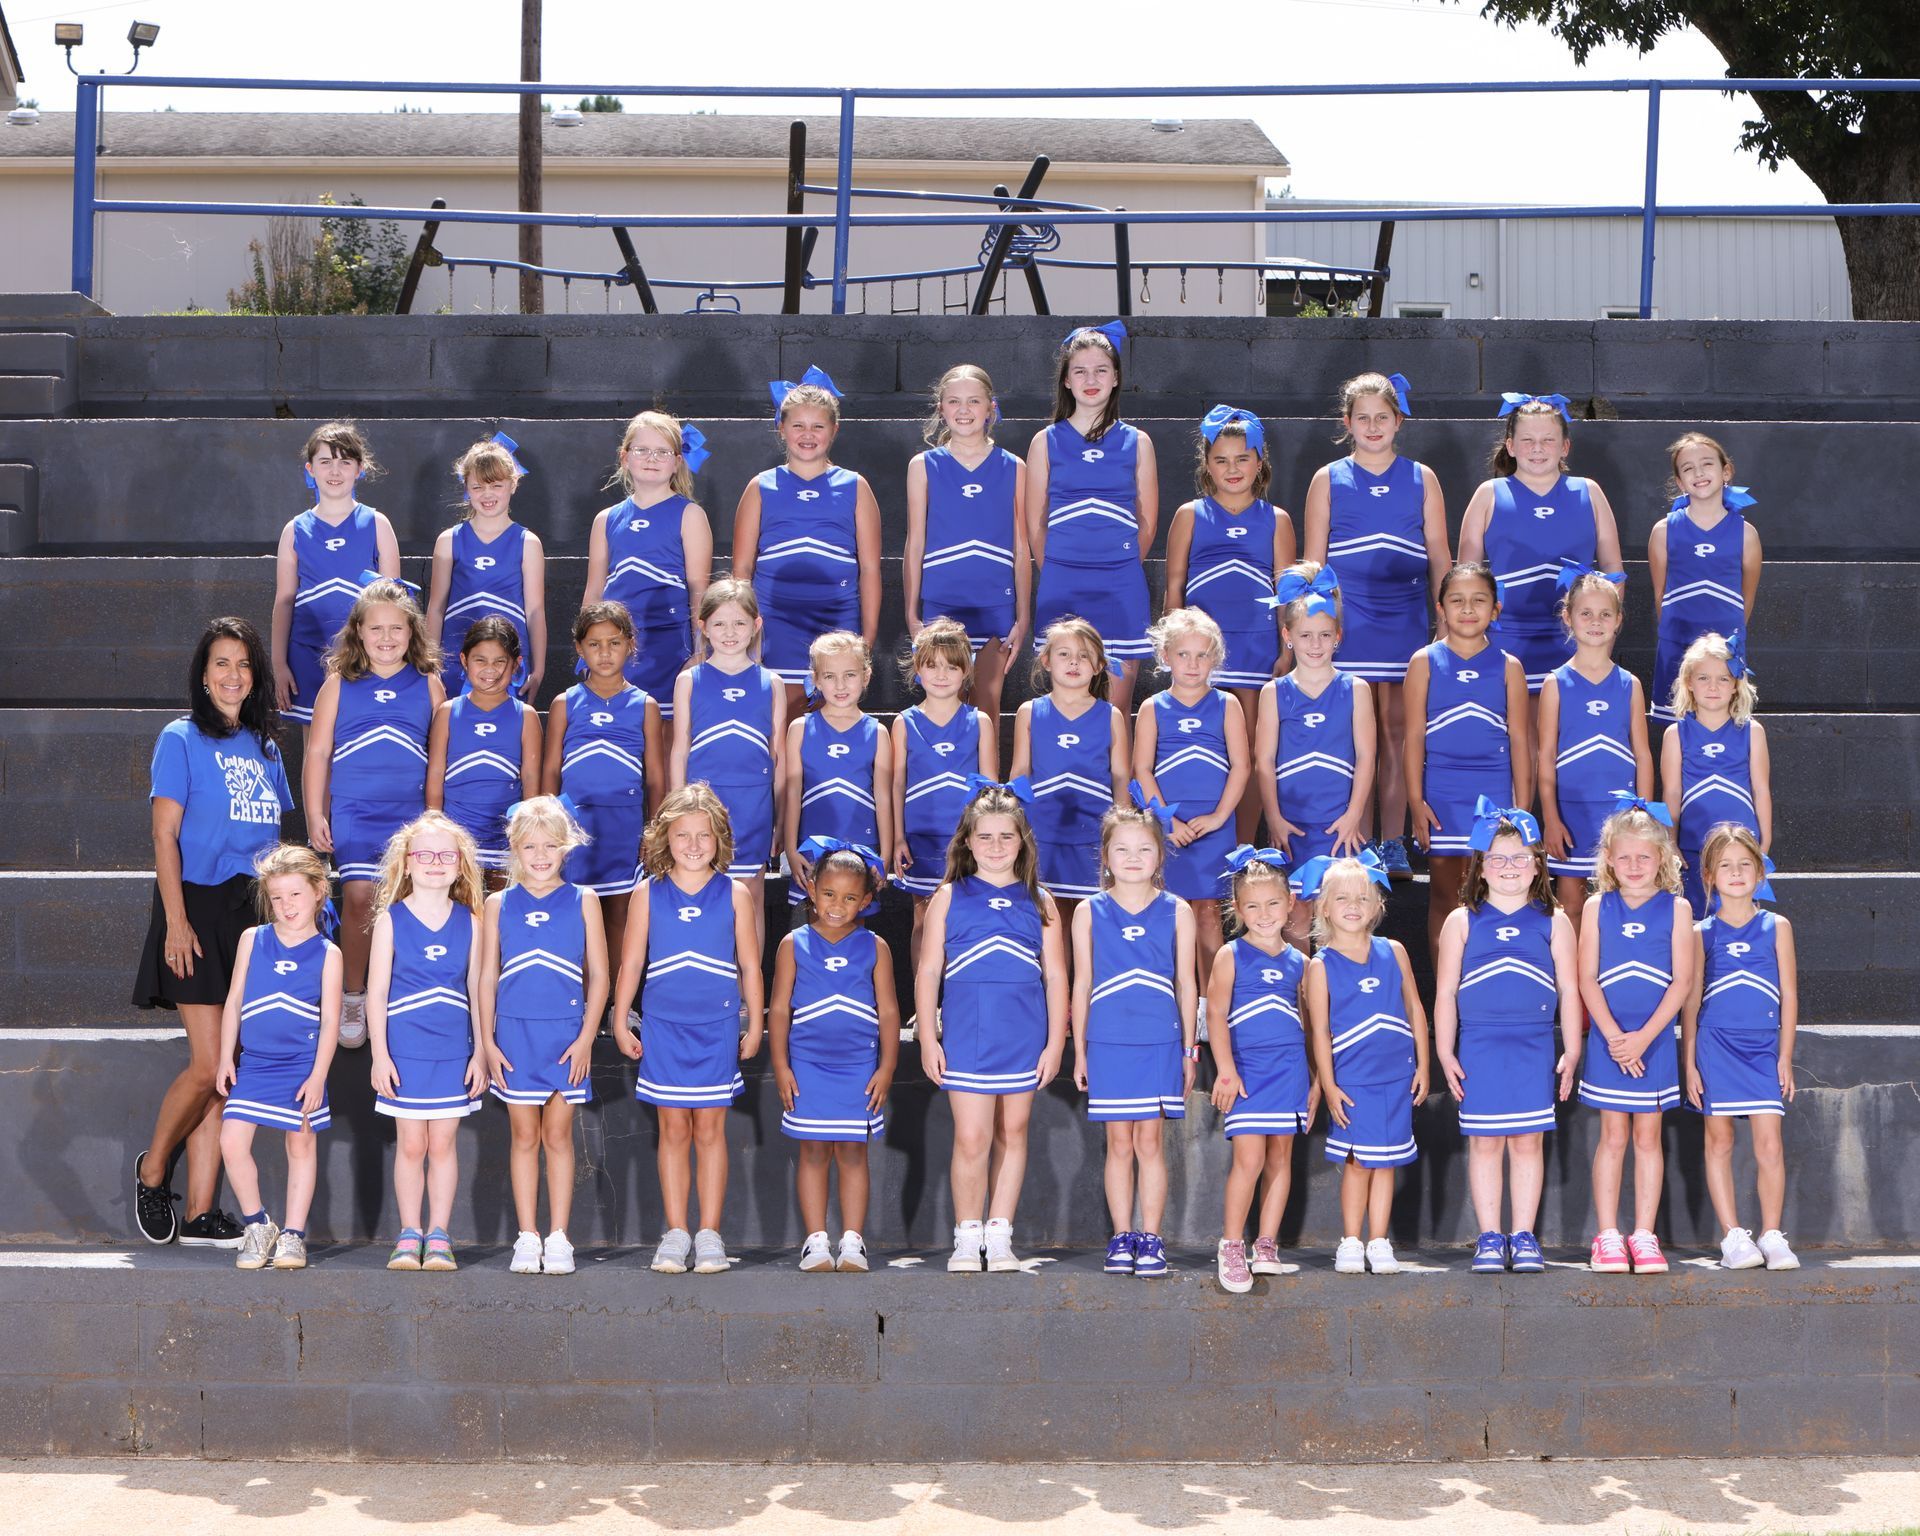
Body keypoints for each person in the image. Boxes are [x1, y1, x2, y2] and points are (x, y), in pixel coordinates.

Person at [132, 616, 293, 1248]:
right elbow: (164, 835)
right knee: (206, 1065)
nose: (233, 675)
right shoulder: (180, 738)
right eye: (221, 663)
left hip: (251, 912)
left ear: (256, 677)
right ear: (204, 674)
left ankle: (200, 1213)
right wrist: (175, 919)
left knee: (229, 1068)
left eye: (244, 665)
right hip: (195, 907)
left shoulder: (268, 746)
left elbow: (277, 844)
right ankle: (151, 1170)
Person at [609, 784, 764, 1276]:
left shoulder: (735, 892)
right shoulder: (647, 892)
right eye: (682, 835)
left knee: (711, 1130)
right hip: (663, 1026)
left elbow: (750, 967)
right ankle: (676, 1232)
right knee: (674, 1129)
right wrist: (619, 1014)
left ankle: (710, 1233)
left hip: (717, 1026)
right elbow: (632, 961)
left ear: (720, 839)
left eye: (703, 835)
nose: (693, 845)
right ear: (665, 838)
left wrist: (754, 1021)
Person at [915, 783, 1069, 1272]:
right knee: (972, 1137)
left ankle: (1000, 1233)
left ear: (1023, 841)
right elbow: (928, 972)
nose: (997, 846)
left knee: (1014, 1130)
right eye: (986, 836)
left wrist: (1055, 1044)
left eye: (1007, 836)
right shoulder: (947, 897)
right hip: (966, 1034)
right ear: (967, 841)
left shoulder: (1040, 900)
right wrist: (927, 1039)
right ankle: (967, 1234)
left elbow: (1058, 975)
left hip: (1023, 1035)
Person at [1302, 372, 1448, 877]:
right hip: (1351, 621)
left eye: (1381, 417)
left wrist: (1445, 623)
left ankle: (1391, 841)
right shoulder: (1328, 478)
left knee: (1396, 734)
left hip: (1404, 618)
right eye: (1361, 418)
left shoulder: (1422, 477)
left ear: (1398, 421)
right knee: (1357, 735)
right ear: (1347, 423)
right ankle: (1355, 842)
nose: (1371, 426)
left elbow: (1440, 558)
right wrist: (1315, 623)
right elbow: (1313, 564)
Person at [1432, 801, 1583, 1276]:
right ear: (1480, 866)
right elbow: (1445, 993)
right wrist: (1443, 1050)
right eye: (1497, 858)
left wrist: (1573, 1049)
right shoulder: (1460, 921)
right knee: (1485, 1143)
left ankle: (1523, 1234)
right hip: (1479, 1046)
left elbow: (1570, 990)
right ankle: (1490, 1237)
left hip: (1533, 1044)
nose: (1509, 867)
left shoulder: (1555, 920)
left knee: (1527, 1141)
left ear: (1537, 864)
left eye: (1519, 857)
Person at [302, 578, 444, 1047]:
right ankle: (354, 994)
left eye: (397, 629)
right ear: (358, 632)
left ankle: (404, 994)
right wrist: (314, 813)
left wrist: (433, 818)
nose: (387, 638)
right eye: (376, 628)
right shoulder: (339, 684)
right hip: (355, 812)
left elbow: (439, 756)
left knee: (410, 904)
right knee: (360, 898)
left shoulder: (428, 684)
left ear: (412, 633)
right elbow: (318, 754)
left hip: (408, 816)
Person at [477, 796, 609, 1277]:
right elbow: (487, 976)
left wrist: (586, 1038)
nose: (540, 855)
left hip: (566, 1037)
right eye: (529, 846)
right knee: (523, 1135)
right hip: (513, 1036)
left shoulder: (584, 900)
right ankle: (527, 1235)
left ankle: (559, 1237)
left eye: (550, 845)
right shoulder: (497, 903)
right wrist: (488, 1041)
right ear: (513, 848)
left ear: (567, 848)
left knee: (558, 1135)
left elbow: (599, 975)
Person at [1456, 393, 1624, 762]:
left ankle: (1559, 822)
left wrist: (1598, 642)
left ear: (1565, 446)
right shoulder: (1489, 494)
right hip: (1505, 642)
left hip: (1574, 643)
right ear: (1511, 445)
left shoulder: (1589, 492)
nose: (1538, 449)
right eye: (1528, 440)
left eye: (1548, 440)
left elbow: (1614, 575)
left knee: (1568, 748)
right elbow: (1464, 586)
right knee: (1518, 746)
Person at [1073, 804, 1197, 1279]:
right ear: (1105, 856)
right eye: (1122, 849)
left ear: (1160, 856)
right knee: (1118, 1142)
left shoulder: (1178, 910)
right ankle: (1121, 1235)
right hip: (1107, 1040)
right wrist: (1080, 1050)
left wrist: (1189, 1049)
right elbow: (1082, 983)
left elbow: (1187, 985)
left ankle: (1151, 1236)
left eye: (1144, 848)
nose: (1133, 857)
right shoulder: (1088, 910)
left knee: (1150, 1141)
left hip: (1159, 1042)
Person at [769, 841, 899, 1273]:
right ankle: (815, 1241)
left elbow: (890, 1012)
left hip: (858, 1069)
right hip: (807, 1067)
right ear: (811, 890)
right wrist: (783, 1066)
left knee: (852, 1152)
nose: (837, 905)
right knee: (812, 1152)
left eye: (849, 898)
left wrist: (886, 1067)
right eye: (828, 894)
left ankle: (853, 1241)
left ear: (865, 901)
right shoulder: (793, 944)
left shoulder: (876, 946)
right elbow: (781, 1009)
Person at [1162, 405, 1293, 834]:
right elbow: (1175, 588)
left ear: (1260, 462)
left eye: (1242, 459)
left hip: (1257, 648)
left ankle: (1243, 844)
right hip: (1204, 653)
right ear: (1207, 465)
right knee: (1208, 745)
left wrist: (1284, 649)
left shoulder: (1276, 520)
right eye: (1221, 459)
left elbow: (1286, 595)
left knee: (1252, 752)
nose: (1232, 468)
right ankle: (1206, 837)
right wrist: (1174, 649)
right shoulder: (1189, 515)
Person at [366, 811, 487, 1272]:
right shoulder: (391, 920)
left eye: (445, 855)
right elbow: (376, 993)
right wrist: (379, 1055)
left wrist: (479, 1051)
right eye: (424, 854)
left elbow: (477, 988)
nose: (435, 862)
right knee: (411, 1144)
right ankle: (409, 1232)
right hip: (405, 1049)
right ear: (407, 863)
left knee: (442, 1144)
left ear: (459, 865)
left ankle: (439, 1234)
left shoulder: (472, 922)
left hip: (453, 1049)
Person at [1577, 798, 1693, 1276]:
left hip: (1655, 1041)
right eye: (1624, 857)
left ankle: (1644, 1234)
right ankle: (1607, 1235)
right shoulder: (1594, 907)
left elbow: (1682, 982)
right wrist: (1614, 1038)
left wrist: (1643, 1038)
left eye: (1644, 857)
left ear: (1662, 858)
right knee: (1613, 1135)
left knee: (1649, 1137)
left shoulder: (1679, 908)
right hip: (1610, 1043)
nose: (1634, 866)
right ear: (1608, 858)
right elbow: (1586, 979)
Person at [214, 843, 342, 1271]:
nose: (286, 906)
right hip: (256, 1063)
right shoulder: (253, 939)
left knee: (301, 1144)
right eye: (277, 897)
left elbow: (330, 1022)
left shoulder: (328, 953)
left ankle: (293, 1235)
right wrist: (225, 1057)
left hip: (301, 1066)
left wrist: (319, 1075)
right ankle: (258, 1225)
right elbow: (233, 1002)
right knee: (231, 1141)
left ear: (319, 891)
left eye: (295, 895)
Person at [1301, 853, 1427, 1275]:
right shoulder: (1320, 965)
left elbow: (1415, 1010)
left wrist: (1424, 1067)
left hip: (1396, 1077)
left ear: (1378, 906)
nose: (1353, 905)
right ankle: (1351, 1240)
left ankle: (1379, 1240)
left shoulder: (1394, 951)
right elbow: (1319, 1031)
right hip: (1352, 1081)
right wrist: (1330, 1084)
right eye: (1342, 898)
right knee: (1357, 1163)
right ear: (1324, 907)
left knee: (1386, 1162)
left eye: (1362, 897)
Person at [731, 366, 882, 714]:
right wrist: (746, 633)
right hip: (775, 619)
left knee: (830, 715)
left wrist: (867, 638)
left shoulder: (855, 486)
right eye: (798, 425)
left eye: (818, 426)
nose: (807, 434)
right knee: (781, 717)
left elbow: (871, 569)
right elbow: (741, 570)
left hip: (837, 617)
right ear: (781, 428)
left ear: (834, 429)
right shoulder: (760, 486)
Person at [1025, 322, 1159, 713]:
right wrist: (1056, 567)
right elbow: (1036, 522)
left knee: (1117, 707)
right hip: (1063, 579)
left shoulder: (1137, 441)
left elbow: (1147, 519)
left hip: (1120, 581)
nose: (1091, 379)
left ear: (1116, 378)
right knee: (1065, 700)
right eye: (1080, 371)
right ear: (1066, 380)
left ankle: (1118, 777)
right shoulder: (1045, 441)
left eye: (1101, 370)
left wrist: (1121, 563)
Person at [1683, 823, 1799, 1271]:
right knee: (1720, 1139)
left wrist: (1785, 1054)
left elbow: (1789, 994)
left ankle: (1771, 1234)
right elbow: (1691, 1001)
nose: (1736, 873)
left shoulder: (1777, 926)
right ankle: (1734, 1237)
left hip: (1763, 1047)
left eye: (1745, 865)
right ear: (1709, 875)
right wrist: (1690, 1061)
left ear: (1759, 872)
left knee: (1770, 1143)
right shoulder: (1700, 932)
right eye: (1725, 866)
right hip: (1715, 1044)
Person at [1404, 562, 1530, 960]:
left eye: (1479, 600)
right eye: (1457, 601)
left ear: (1496, 608)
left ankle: (1483, 984)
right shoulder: (1424, 661)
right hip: (1441, 795)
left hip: (1493, 795)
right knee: (1444, 892)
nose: (1468, 609)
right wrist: (1415, 802)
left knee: (1490, 892)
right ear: (1440, 608)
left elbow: (1521, 742)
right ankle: (1447, 996)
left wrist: (1522, 809)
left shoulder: (1510, 666)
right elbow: (1413, 738)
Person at [1206, 846, 1312, 1294]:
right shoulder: (1230, 955)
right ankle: (1232, 1244)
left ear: (1290, 903)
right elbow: (1214, 1015)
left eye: (1273, 903)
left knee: (1280, 1159)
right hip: (1247, 1074)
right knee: (1248, 1160)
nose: (1264, 913)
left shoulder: (1304, 963)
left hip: (1289, 1073)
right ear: (1237, 908)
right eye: (1252, 905)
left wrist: (1316, 1082)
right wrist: (1226, 1071)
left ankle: (1266, 1244)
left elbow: (1310, 1027)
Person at [904, 363, 1029, 733]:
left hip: (995, 605)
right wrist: (912, 614)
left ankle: (988, 791)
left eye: (973, 401)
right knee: (942, 709)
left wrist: (1022, 617)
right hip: (942, 604)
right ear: (940, 407)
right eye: (954, 401)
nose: (964, 409)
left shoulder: (1014, 466)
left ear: (990, 407)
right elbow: (915, 543)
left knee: (987, 709)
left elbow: (1021, 548)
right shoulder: (923, 465)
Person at [1255, 563, 1374, 947]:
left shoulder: (1356, 689)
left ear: (1338, 636)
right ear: (1288, 635)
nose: (1316, 644)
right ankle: (1301, 1000)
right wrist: (1273, 818)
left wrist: (1354, 814)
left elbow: (1367, 758)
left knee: (1340, 912)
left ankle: (1334, 997)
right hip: (1293, 823)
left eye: (1325, 634)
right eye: (1306, 635)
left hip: (1339, 823)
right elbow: (1264, 761)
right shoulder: (1274, 693)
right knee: (1297, 911)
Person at [1132, 607, 1247, 997]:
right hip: (1170, 829)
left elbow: (1242, 767)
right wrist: (1167, 823)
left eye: (1202, 655)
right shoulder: (1152, 708)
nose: (1193, 664)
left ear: (1215, 657)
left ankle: (1209, 1003)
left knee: (1210, 914)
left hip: (1213, 827)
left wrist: (1218, 818)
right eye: (1183, 654)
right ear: (1165, 656)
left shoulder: (1228, 705)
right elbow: (1143, 771)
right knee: (1169, 913)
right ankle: (1171, 997)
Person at [543, 601, 664, 956]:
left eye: (613, 642)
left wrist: (652, 830)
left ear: (630, 644)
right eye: (594, 644)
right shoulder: (566, 702)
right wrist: (549, 827)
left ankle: (617, 1006)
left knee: (619, 917)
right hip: (573, 826)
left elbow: (656, 777)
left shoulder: (645, 705)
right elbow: (551, 770)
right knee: (573, 917)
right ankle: (579, 1004)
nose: (605, 653)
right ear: (580, 648)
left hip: (623, 826)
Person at [1537, 566, 1650, 929]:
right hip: (1572, 812)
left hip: (1618, 813)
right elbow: (1547, 757)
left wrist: (1642, 814)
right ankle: (1570, 984)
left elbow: (1643, 755)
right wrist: (1551, 819)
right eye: (1586, 613)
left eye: (1605, 614)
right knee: (1569, 902)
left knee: (1618, 900)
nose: (1596, 622)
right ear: (1568, 617)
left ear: (1618, 620)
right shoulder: (1556, 683)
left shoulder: (1630, 684)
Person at [671, 579, 785, 939]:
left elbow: (777, 754)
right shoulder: (689, 680)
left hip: (754, 805)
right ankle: (713, 984)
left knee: (751, 896)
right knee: (703, 892)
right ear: (702, 627)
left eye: (739, 623)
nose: (730, 632)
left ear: (757, 625)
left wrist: (779, 819)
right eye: (719, 623)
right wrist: (677, 810)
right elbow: (680, 748)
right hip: (705, 804)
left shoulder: (772, 682)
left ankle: (749, 992)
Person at [583, 410, 715, 715]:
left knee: (668, 733)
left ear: (677, 460)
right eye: (642, 450)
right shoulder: (606, 519)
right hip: (615, 646)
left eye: (662, 452)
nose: (651, 458)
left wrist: (700, 648)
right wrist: (588, 647)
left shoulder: (689, 514)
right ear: (625, 457)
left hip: (670, 646)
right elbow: (593, 593)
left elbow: (699, 590)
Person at [270, 421, 399, 723]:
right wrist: (279, 663)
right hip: (308, 652)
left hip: (366, 654)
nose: (335, 471)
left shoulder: (377, 524)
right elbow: (284, 600)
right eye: (325, 462)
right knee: (314, 747)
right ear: (310, 469)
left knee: (359, 741)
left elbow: (395, 605)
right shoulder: (295, 530)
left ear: (360, 468)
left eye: (345, 462)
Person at [891, 618, 994, 977]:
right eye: (932, 664)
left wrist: (981, 841)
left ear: (966, 670)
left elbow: (989, 791)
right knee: (923, 923)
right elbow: (896, 787)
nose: (941, 674)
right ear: (918, 668)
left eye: (952, 666)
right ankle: (925, 1006)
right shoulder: (904, 722)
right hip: (921, 840)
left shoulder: (979, 721)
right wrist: (897, 838)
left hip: (964, 843)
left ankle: (955, 1002)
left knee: (962, 925)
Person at [1012, 617, 1130, 914]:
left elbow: (1120, 777)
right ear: (1047, 660)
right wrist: (1019, 828)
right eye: (1064, 654)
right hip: (1043, 830)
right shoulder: (1029, 712)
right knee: (1053, 918)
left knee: (1093, 917)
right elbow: (1019, 774)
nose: (1074, 662)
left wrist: (1121, 832)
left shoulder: (1111, 715)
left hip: (1094, 830)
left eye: (1084, 656)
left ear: (1099, 665)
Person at [1649, 433, 1761, 724]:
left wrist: (1725, 640)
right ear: (1679, 481)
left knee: (1725, 726)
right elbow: (1660, 594)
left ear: (1726, 472)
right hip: (1677, 640)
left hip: (1725, 644)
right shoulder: (1663, 530)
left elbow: (1746, 597)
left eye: (1707, 464)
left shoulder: (1746, 533)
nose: (1698, 473)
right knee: (1676, 728)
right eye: (1688, 468)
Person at [426, 432, 546, 699]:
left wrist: (538, 670)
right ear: (466, 488)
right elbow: (435, 608)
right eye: (478, 487)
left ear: (513, 484)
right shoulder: (449, 541)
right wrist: (431, 664)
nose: (487, 494)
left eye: (496, 485)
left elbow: (535, 611)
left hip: (509, 663)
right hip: (456, 661)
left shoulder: (527, 542)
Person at [1661, 630, 1771, 914]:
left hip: (1741, 850)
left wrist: (1764, 843)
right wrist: (1671, 840)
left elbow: (1760, 789)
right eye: (1703, 678)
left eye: (1723, 678)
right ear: (1689, 682)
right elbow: (1672, 792)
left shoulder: (1752, 732)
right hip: (1693, 849)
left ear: (1736, 684)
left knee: (1738, 921)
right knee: (1697, 924)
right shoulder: (1676, 734)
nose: (1713, 686)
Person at [782, 631, 892, 913]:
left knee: (854, 931)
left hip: (862, 849)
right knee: (806, 932)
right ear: (816, 679)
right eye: (829, 676)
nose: (840, 685)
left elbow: (883, 798)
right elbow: (792, 793)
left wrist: (885, 857)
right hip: (810, 852)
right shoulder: (800, 729)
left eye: (850, 675)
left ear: (866, 676)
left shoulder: (878, 733)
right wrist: (791, 849)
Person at [426, 617, 540, 887]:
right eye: (480, 660)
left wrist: (523, 837)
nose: (490, 669)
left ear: (516, 664)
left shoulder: (526, 716)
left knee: (500, 917)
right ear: (464, 660)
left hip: (506, 839)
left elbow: (531, 784)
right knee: (463, 915)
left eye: (500, 661)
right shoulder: (447, 712)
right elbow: (435, 777)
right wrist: (436, 831)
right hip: (457, 838)